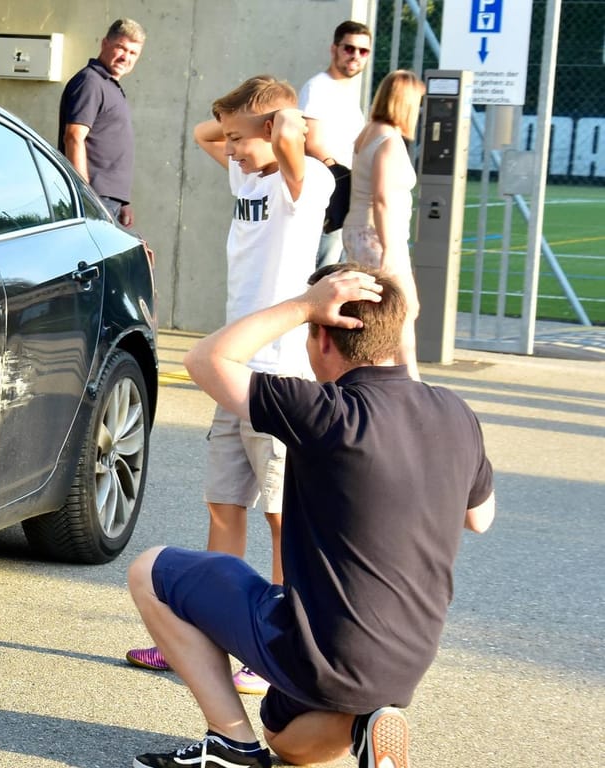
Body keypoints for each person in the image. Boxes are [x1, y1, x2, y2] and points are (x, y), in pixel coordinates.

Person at [125, 264, 496, 768]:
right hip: (404, 664)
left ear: (323, 336)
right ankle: (367, 722)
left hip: (326, 650)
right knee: (287, 740)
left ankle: (230, 742)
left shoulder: (324, 411)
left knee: (150, 570)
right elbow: (480, 518)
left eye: (309, 328)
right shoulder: (455, 414)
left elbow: (204, 358)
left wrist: (303, 304)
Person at [126, 75, 332, 697]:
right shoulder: (248, 175)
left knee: (279, 516)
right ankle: (213, 637)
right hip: (234, 369)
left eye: (243, 139)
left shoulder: (310, 184)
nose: (231, 148)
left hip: (279, 373)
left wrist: (286, 125)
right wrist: (250, 124)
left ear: (274, 131)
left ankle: (273, 649)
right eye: (233, 140)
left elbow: (289, 136)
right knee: (224, 505)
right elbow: (203, 129)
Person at [343, 70, 427, 379]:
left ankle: (391, 378)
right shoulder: (389, 141)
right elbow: (382, 198)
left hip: (362, 231)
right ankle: (410, 380)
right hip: (379, 236)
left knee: (380, 312)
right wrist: (391, 249)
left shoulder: (368, 133)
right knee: (403, 310)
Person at [299, 20, 373, 267]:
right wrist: (343, 178)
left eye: (363, 51)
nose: (355, 56)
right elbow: (312, 143)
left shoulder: (347, 91)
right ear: (334, 49)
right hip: (329, 192)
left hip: (347, 191)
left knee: (339, 268)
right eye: (349, 48)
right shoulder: (318, 88)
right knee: (323, 270)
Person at [58, 18, 144, 228]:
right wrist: (85, 196)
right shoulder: (91, 82)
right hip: (93, 198)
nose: (126, 57)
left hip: (107, 199)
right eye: (121, 48)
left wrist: (122, 201)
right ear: (105, 44)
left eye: (133, 53)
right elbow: (74, 136)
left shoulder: (109, 85)